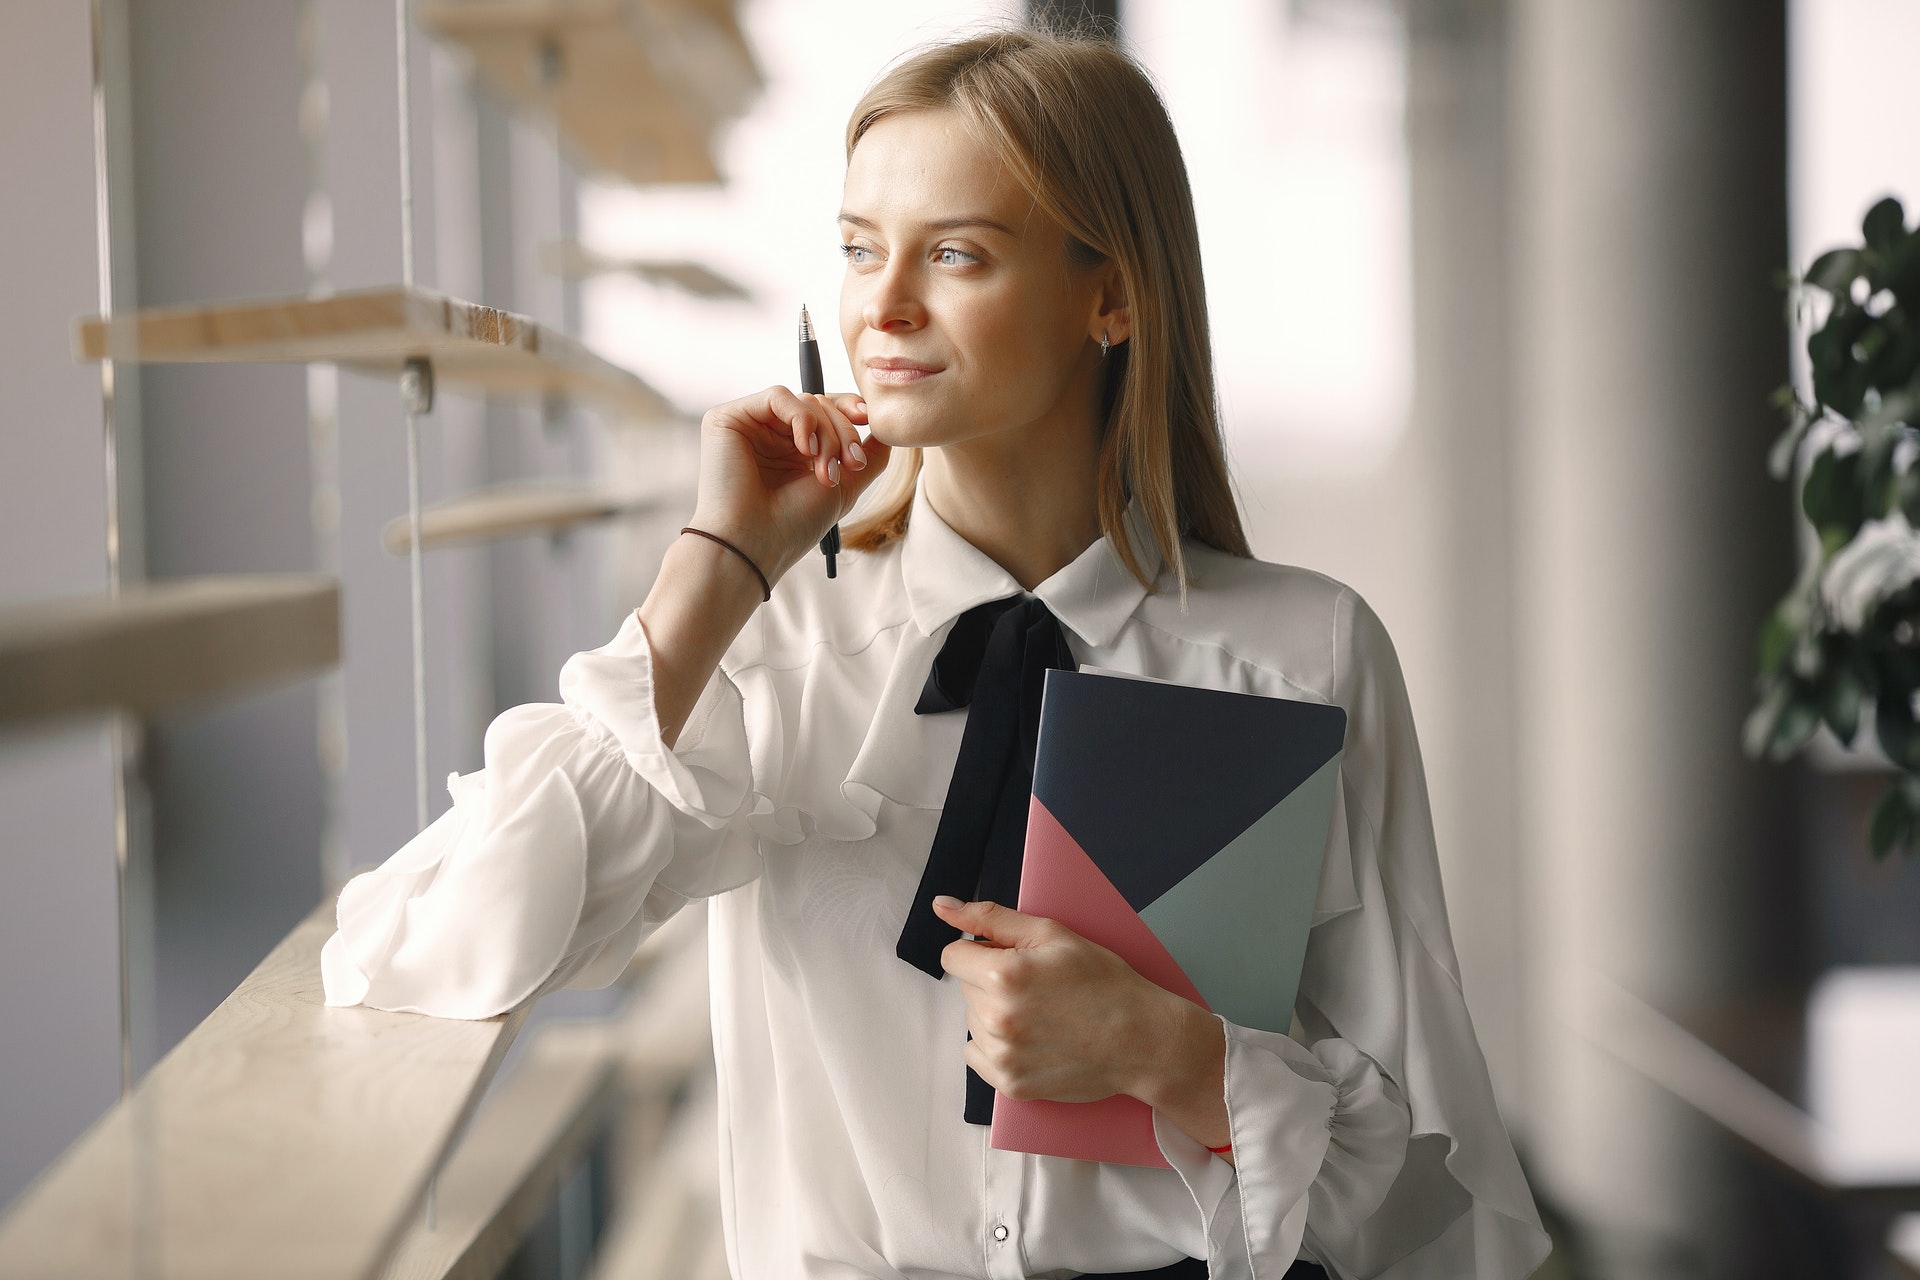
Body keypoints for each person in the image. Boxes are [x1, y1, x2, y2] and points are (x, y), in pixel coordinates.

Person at [322, 27, 1550, 1280]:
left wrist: (1167, 1052)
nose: (883, 305)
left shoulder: (1305, 654)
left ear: (1111, 295)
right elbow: (427, 943)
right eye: (859, 249)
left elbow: (1417, 1191)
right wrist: (716, 567)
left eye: (954, 252)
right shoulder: (770, 649)